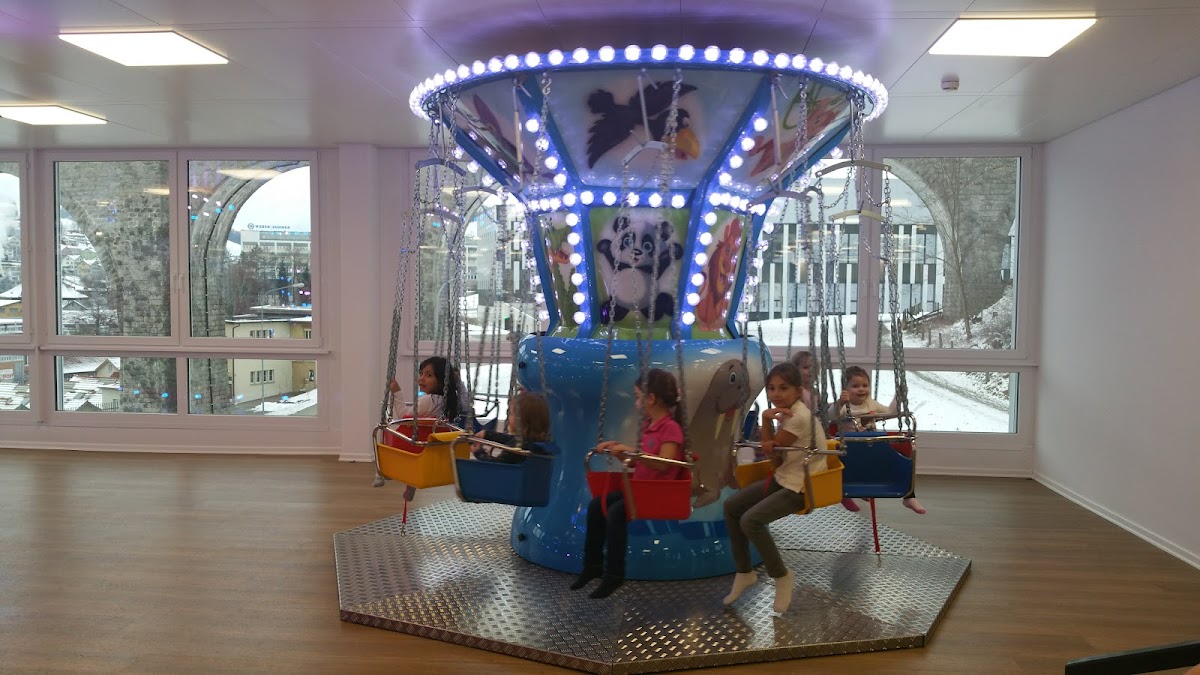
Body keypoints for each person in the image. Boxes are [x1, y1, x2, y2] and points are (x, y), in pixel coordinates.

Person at [570, 369, 686, 599]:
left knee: (616, 513)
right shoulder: (649, 426)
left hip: (658, 493)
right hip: (639, 490)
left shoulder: (671, 428)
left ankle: (615, 574)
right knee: (597, 506)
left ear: (650, 398)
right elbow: (639, 461)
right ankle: (592, 566)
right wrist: (618, 450)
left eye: (638, 397)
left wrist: (631, 451)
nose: (636, 402)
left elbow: (664, 463)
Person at [723, 362, 826, 613]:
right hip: (785, 477)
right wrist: (769, 423)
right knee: (732, 506)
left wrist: (764, 419)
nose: (776, 394)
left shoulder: (798, 417)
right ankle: (744, 572)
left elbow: (771, 451)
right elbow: (776, 458)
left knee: (751, 521)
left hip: (802, 486)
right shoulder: (787, 413)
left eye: (783, 388)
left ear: (798, 391)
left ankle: (781, 575)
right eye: (771, 388)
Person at [833, 365, 925, 515]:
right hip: (851, 449)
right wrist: (840, 403)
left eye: (865, 385)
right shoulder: (844, 407)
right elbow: (831, 415)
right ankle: (857, 488)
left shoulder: (871, 403)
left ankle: (909, 494)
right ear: (845, 390)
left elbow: (890, 413)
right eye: (855, 386)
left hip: (872, 446)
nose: (861, 389)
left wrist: (898, 396)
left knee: (907, 449)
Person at [391, 356, 463, 501]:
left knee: (386, 433)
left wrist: (397, 393)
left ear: (441, 380)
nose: (421, 379)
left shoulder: (427, 400)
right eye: (421, 373)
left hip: (415, 444)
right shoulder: (447, 401)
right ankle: (411, 485)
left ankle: (381, 472)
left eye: (428, 375)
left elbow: (404, 416)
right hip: (435, 446)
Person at [471, 391, 554, 463]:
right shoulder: (539, 443)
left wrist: (479, 453)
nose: (508, 416)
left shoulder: (518, 450)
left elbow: (498, 466)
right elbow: (509, 439)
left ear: (521, 420)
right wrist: (487, 434)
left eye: (511, 414)